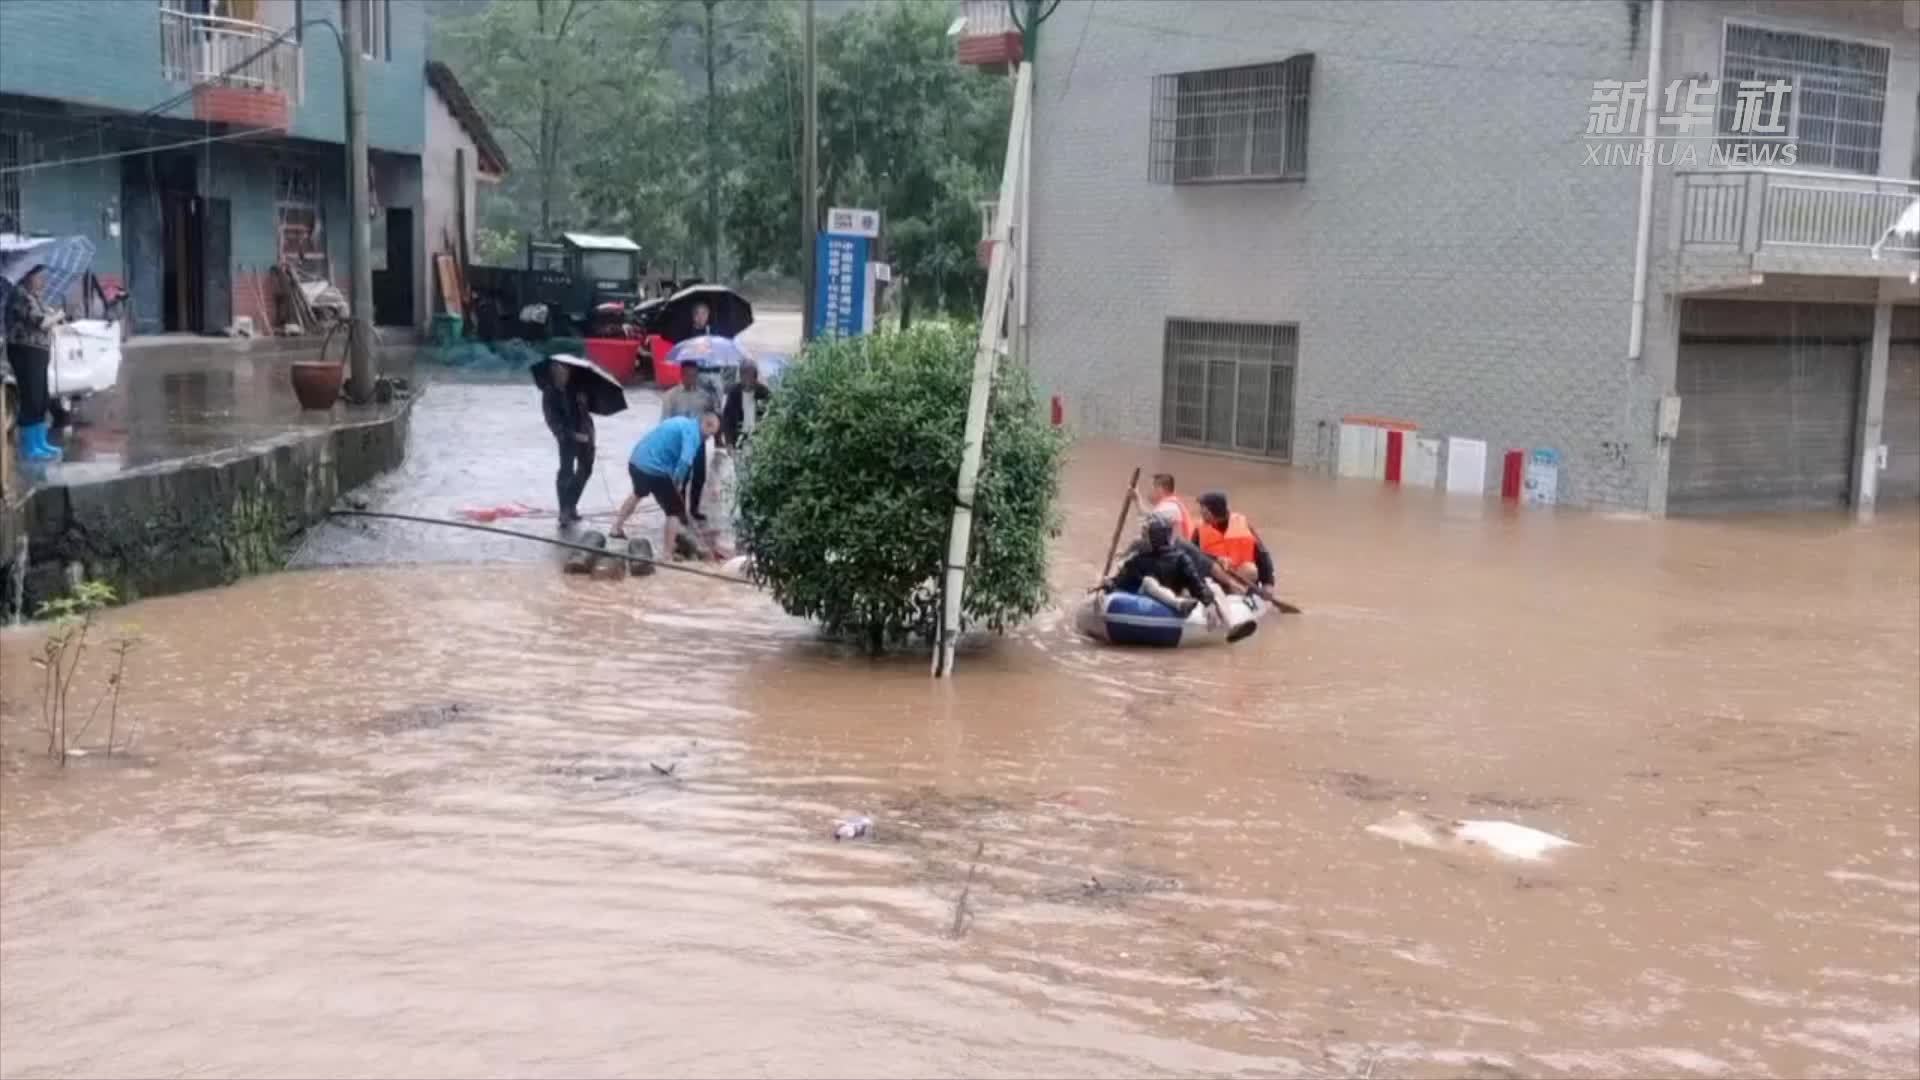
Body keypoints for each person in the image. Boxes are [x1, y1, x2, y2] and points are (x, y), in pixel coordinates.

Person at [609, 412, 724, 562]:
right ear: (705, 424)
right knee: (674, 511)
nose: (708, 439)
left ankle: (616, 528)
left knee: (638, 493)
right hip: (655, 469)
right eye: (710, 434)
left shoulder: (681, 421)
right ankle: (667, 555)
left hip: (636, 461)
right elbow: (684, 462)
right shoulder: (694, 435)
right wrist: (677, 483)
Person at [1099, 517, 1227, 628]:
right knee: (1149, 582)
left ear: (1152, 539)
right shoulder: (1139, 560)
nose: (1142, 538)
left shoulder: (1179, 558)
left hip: (1171, 597)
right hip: (1145, 597)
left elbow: (1195, 583)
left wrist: (1208, 603)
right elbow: (1122, 580)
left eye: (1145, 535)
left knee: (1209, 586)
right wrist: (1109, 583)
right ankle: (1178, 604)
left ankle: (1224, 620)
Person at [4, 265, 62, 463]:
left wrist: (50, 312)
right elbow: (41, 322)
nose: (42, 281)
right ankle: (31, 447)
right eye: (38, 277)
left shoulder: (33, 296)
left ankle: (40, 441)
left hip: (38, 353)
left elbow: (43, 316)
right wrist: (57, 317)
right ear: (27, 276)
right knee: (31, 398)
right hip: (25, 353)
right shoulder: (20, 295)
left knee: (41, 398)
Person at [660, 360, 718, 521]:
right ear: (682, 375)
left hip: (697, 442)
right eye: (688, 375)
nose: (691, 378)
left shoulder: (704, 396)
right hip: (680, 443)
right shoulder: (671, 396)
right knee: (681, 478)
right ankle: (680, 511)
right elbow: (664, 420)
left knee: (699, 476)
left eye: (694, 375)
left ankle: (694, 509)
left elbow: (711, 416)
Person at [1192, 491, 1277, 599]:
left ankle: (1236, 595)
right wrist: (1216, 559)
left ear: (1211, 511)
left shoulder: (1242, 524)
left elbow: (1263, 554)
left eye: (1202, 508)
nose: (1200, 511)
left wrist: (1268, 584)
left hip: (1239, 575)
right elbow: (1191, 553)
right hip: (1214, 573)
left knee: (1250, 570)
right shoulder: (1200, 528)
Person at [541, 362, 595, 527]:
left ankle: (571, 503)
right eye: (558, 374)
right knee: (566, 471)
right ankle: (564, 509)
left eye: (565, 373)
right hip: (566, 436)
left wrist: (584, 402)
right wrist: (570, 436)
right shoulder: (549, 393)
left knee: (586, 468)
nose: (562, 377)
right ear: (553, 374)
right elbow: (552, 419)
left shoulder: (577, 387)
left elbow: (587, 411)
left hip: (585, 432)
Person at [719, 358, 772, 449]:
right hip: (739, 438)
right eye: (744, 374)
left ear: (755, 376)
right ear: (740, 375)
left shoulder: (763, 393)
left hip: (759, 439)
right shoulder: (734, 392)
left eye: (750, 374)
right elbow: (727, 419)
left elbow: (771, 416)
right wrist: (729, 442)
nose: (747, 378)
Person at [1133, 472, 1193, 540]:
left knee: (1137, 543)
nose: (1148, 492)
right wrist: (1137, 500)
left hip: (1175, 549)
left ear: (1159, 489)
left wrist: (1137, 500)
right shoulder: (1168, 505)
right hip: (1171, 548)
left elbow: (1147, 525)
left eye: (1150, 488)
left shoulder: (1170, 507)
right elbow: (1149, 517)